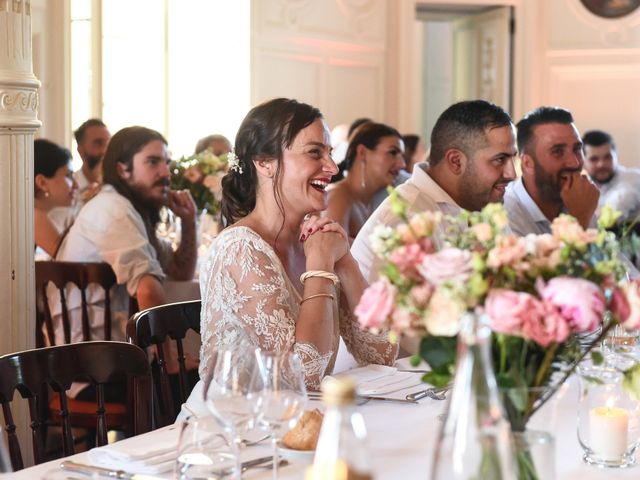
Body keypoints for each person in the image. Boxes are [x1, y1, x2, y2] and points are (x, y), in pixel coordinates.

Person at [185, 98, 397, 406]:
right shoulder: (240, 248)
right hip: (237, 429)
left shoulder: (315, 239)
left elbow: (382, 352)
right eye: (314, 153)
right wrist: (322, 263)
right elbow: (303, 375)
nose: (333, 168)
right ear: (265, 162)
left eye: (330, 153)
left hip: (300, 418)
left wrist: (344, 258)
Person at [53, 126, 198, 398]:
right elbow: (148, 289)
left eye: (166, 162)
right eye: (153, 162)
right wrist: (168, 358)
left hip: (108, 357)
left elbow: (180, 272)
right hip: (91, 369)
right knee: (204, 378)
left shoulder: (130, 208)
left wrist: (188, 222)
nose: (166, 172)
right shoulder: (114, 209)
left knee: (203, 371)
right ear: (122, 170)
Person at [352, 100, 518, 283]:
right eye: (500, 159)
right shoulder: (404, 221)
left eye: (512, 158)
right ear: (456, 161)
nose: (512, 174)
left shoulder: (480, 202)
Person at [504, 107, 599, 236]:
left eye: (577, 149)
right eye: (558, 152)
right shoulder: (506, 215)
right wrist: (579, 220)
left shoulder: (576, 199)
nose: (574, 162)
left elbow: (611, 255)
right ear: (527, 163)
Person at [326, 122, 405, 241]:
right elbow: (331, 254)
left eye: (402, 156)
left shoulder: (375, 201)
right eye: (393, 152)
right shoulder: (337, 197)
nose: (402, 164)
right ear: (362, 152)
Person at [48, 119, 111, 230]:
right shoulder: (65, 189)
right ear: (80, 150)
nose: (105, 151)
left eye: (108, 144)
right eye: (98, 143)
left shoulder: (117, 189)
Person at [582, 129, 640, 222]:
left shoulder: (633, 178)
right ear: (583, 162)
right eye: (594, 159)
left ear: (616, 156)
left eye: (607, 157)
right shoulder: (584, 187)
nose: (601, 164)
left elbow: (609, 217)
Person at [34, 139, 78, 258]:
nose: (76, 185)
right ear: (42, 182)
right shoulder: (33, 217)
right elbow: (69, 259)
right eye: (68, 176)